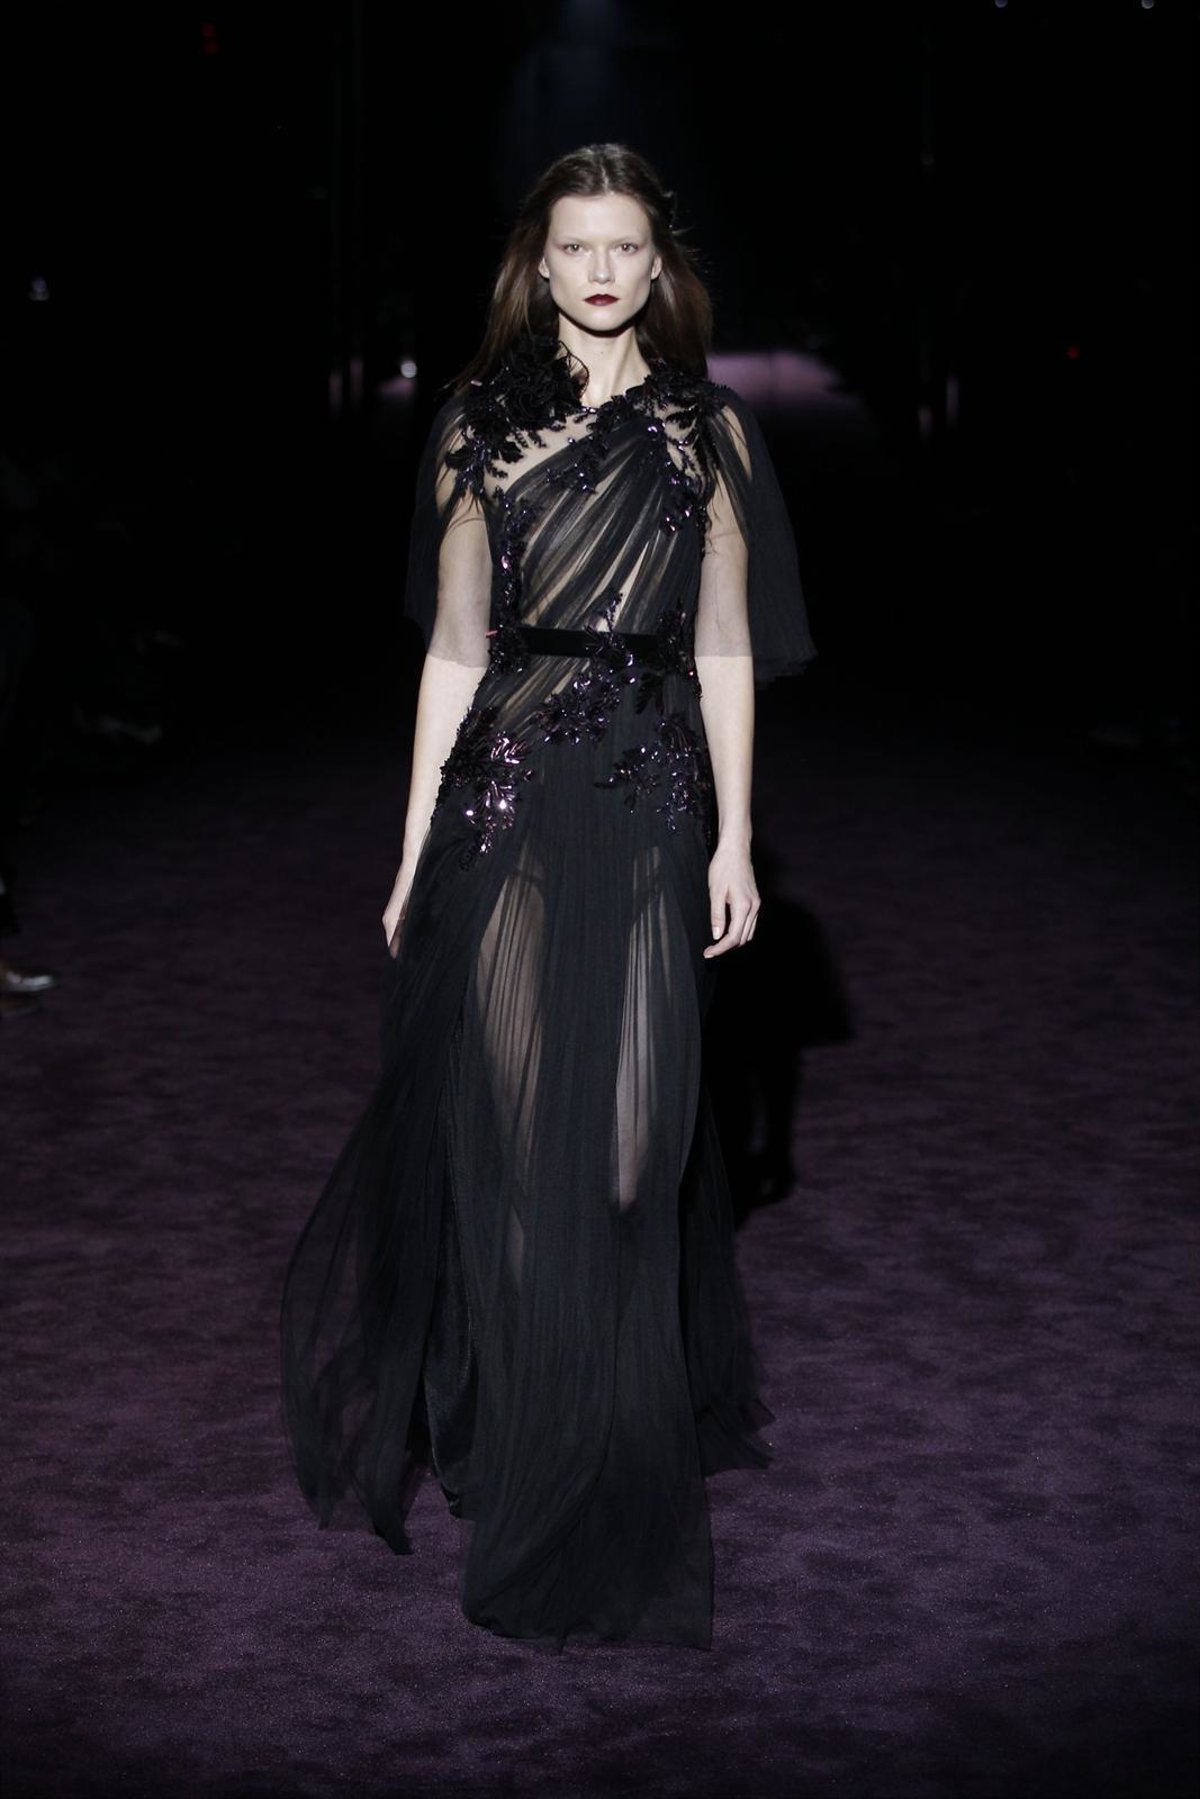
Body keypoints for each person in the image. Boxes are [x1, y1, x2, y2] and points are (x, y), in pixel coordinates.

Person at [279, 143, 816, 1651]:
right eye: (574, 246)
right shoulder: (478, 422)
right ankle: (541, 1467)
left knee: (635, 1155)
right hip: (504, 803)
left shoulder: (708, 430)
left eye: (624, 246)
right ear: (539, 263)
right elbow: (456, 649)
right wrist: (409, 851)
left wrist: (735, 839)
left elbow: (724, 643)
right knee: (519, 1156)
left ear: (659, 264)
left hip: (649, 799)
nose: (599, 271)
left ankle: (608, 1425)